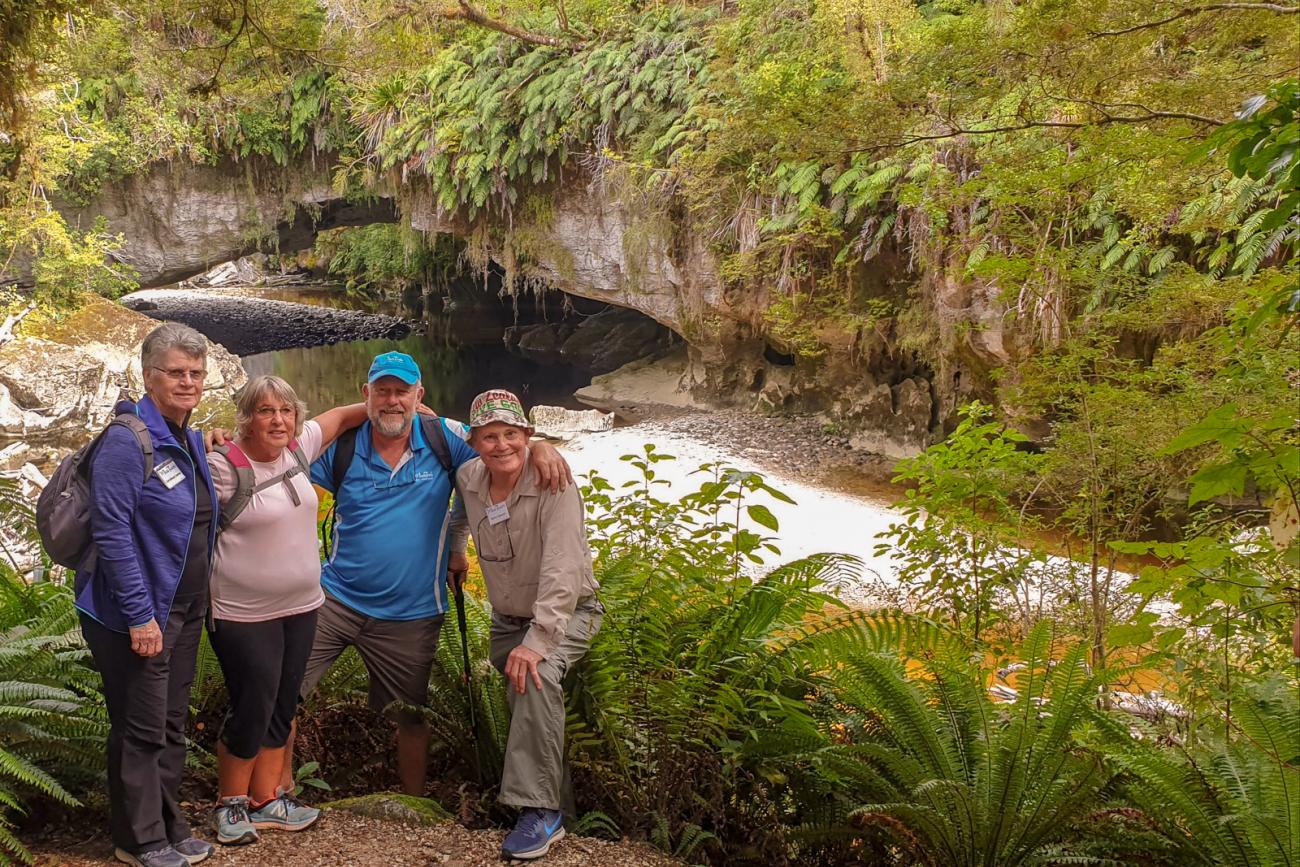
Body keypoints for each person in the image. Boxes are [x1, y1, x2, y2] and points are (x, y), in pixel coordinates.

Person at [292, 351, 572, 796]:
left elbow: (496, 444)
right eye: (381, 391)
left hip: (412, 612)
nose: (392, 400)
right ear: (366, 394)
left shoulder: (444, 437)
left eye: (401, 391)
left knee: (410, 715)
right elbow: (280, 461)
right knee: (284, 693)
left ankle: (415, 809)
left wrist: (540, 446)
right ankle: (273, 794)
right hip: (335, 599)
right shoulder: (345, 445)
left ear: (418, 395)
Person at [205, 375, 372, 846]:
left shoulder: (299, 448)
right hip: (240, 612)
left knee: (283, 702)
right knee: (253, 703)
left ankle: (267, 799)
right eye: (264, 411)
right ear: (246, 418)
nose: (278, 420)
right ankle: (230, 804)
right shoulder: (222, 467)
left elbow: (340, 416)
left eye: (285, 410)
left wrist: (398, 411)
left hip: (301, 606)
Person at [75, 323, 218, 867]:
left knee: (169, 722)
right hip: (135, 611)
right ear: (148, 375)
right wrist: (140, 616)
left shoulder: (183, 434)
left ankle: (170, 825)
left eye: (196, 373)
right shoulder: (125, 439)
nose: (188, 382)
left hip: (182, 608)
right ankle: (139, 840)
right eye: (176, 372)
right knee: (140, 727)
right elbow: (112, 530)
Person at [448, 389, 602, 862]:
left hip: (568, 612)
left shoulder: (554, 483)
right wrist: (457, 549)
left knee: (533, 678)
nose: (501, 445)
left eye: (512, 434)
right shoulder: (469, 477)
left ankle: (539, 810)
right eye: (490, 436)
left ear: (527, 435)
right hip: (505, 621)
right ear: (474, 441)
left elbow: (563, 571)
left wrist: (536, 643)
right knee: (529, 702)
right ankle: (564, 813)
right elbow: (460, 517)